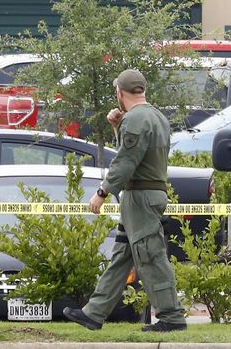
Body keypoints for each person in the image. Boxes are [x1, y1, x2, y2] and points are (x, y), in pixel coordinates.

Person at [63, 69, 187, 332]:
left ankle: (171, 317)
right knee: (122, 256)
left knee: (151, 256)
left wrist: (102, 192)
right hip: (148, 194)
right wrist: (118, 126)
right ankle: (94, 313)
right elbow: (138, 153)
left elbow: (126, 162)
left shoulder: (136, 120)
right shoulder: (155, 117)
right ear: (141, 90)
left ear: (120, 92)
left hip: (139, 197)